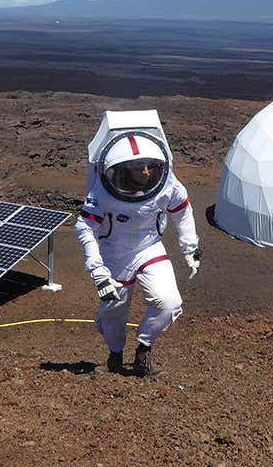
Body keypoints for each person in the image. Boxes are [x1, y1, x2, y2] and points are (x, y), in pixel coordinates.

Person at [75, 132, 201, 377]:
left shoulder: (167, 184)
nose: (145, 172)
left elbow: (183, 212)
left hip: (150, 247)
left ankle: (144, 350)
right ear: (122, 168)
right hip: (115, 254)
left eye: (150, 165)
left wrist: (190, 248)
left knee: (169, 302)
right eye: (137, 166)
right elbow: (85, 227)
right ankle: (115, 356)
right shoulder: (102, 192)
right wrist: (98, 272)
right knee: (113, 310)